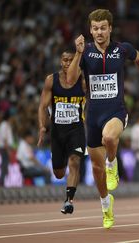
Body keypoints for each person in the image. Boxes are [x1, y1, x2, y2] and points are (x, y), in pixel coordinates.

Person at [67, 9, 139, 229]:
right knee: (97, 172)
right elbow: (70, 80)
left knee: (110, 138)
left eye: (103, 28)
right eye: (95, 28)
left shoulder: (121, 49)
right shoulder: (86, 52)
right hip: (92, 117)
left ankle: (113, 162)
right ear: (90, 30)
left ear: (110, 28)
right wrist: (78, 53)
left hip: (116, 112)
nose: (99, 32)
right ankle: (105, 204)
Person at [38, 50, 87, 214]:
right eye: (65, 60)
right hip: (57, 132)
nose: (67, 63)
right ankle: (62, 159)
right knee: (59, 173)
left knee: (75, 162)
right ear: (60, 61)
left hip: (76, 130)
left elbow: (94, 101)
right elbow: (43, 106)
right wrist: (42, 127)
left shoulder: (83, 81)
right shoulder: (51, 80)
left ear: (76, 61)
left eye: (71, 60)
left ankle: (69, 201)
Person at [0, 110, 14, 187]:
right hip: (4, 148)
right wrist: (8, 150)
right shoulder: (4, 125)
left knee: (5, 165)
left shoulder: (5, 125)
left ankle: (2, 182)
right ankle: (1, 183)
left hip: (4, 148)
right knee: (4, 165)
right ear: (9, 118)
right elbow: (5, 139)